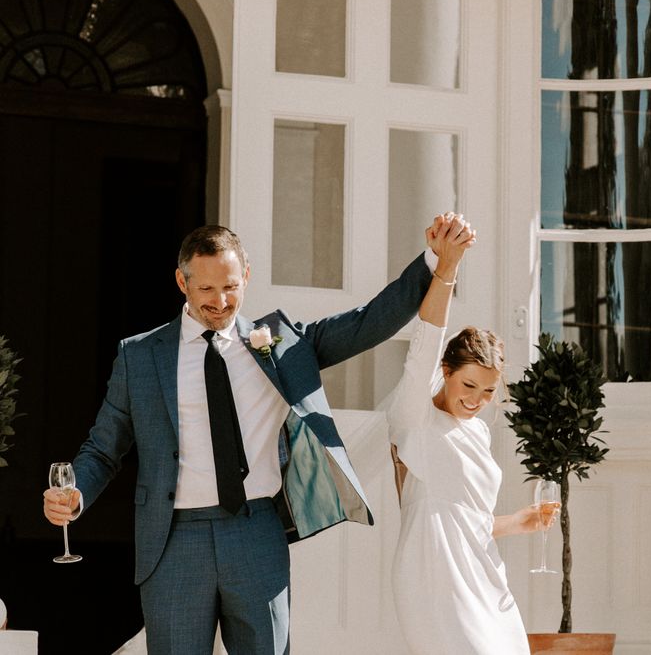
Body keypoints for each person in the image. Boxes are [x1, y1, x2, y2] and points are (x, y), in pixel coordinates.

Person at [42, 218, 473, 655]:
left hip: (256, 533)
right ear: (181, 282)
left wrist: (434, 260)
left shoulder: (281, 343)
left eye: (230, 286)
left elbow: (368, 321)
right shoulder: (139, 356)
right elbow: (103, 448)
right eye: (206, 289)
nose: (220, 301)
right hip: (174, 542)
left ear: (245, 276)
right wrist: (75, 491)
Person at [386, 215, 551, 655]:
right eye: (468, 386)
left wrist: (520, 522)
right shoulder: (415, 417)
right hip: (434, 580)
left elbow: (467, 521)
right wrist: (448, 267)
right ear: (446, 372)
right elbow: (427, 339)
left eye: (489, 391)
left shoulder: (477, 433)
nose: (477, 400)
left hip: (483, 574)